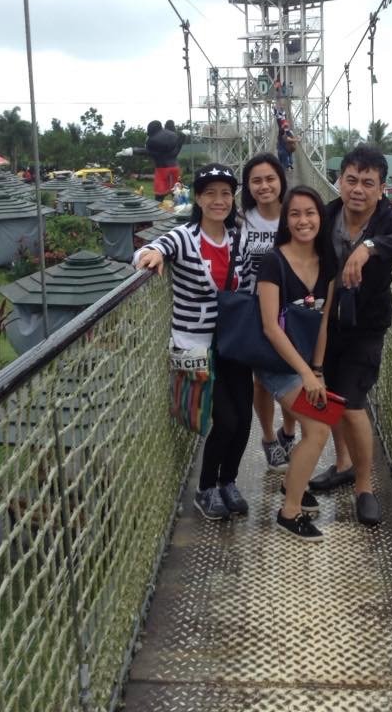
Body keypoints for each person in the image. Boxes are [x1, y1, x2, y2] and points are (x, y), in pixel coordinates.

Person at [308, 145, 392, 525]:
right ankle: (342, 463)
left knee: (353, 402)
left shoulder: (388, 220)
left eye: (368, 183)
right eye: (351, 180)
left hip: (366, 325)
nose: (358, 189)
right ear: (340, 181)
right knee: (330, 396)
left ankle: (364, 486)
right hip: (326, 321)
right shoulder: (327, 215)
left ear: (381, 189)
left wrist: (370, 247)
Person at [134, 164, 254, 521]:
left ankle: (228, 482)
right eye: (210, 193)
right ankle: (206, 488)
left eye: (226, 194)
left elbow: (245, 287)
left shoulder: (239, 238)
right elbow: (150, 250)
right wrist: (150, 256)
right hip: (195, 344)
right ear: (198, 199)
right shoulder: (183, 237)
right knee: (226, 420)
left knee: (244, 417)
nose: (219, 200)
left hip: (232, 342)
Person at [255, 187, 336, 541]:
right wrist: (305, 374)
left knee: (318, 423)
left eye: (310, 213)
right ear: (286, 221)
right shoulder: (274, 262)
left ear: (321, 217)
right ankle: (289, 512)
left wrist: (316, 370)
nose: (303, 221)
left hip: (305, 363)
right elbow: (270, 327)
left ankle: (295, 482)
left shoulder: (327, 261)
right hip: (276, 363)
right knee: (319, 428)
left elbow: (324, 322)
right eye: (295, 215)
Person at [241, 153, 295, 471]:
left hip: (291, 309)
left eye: (270, 179)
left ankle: (288, 431)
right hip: (253, 308)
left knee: (290, 373)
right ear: (248, 186)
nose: (264, 186)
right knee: (261, 381)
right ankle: (268, 439)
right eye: (256, 180)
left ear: (281, 181)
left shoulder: (294, 215)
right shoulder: (240, 220)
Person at [119, 120, 185, 202]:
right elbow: (179, 146)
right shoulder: (173, 139)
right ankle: (180, 204)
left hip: (162, 170)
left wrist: (132, 151)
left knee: (160, 192)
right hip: (175, 167)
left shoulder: (154, 143)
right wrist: (183, 136)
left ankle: (158, 204)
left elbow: (145, 151)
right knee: (176, 190)